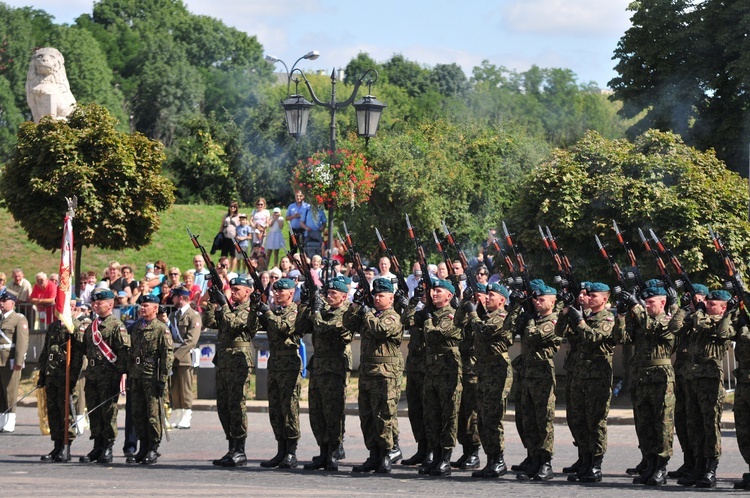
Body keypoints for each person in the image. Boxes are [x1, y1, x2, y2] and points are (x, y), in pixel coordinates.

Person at [558, 282, 620, 483]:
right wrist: (567, 311)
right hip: (580, 374)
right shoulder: (586, 316)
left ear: (605, 299)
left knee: (595, 421)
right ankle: (584, 460)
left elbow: (593, 338)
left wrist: (580, 322)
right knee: (580, 420)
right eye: (587, 295)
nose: (589, 298)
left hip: (597, 376)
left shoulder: (608, 318)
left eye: (593, 295)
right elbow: (559, 332)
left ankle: (595, 464)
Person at [614, 280, 675, 486]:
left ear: (663, 302)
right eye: (645, 302)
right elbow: (622, 337)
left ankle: (661, 467)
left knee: (662, 423)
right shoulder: (641, 319)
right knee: (644, 423)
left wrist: (635, 305)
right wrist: (622, 315)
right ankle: (649, 464)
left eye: (651, 302)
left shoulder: (668, 320)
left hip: (660, 377)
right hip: (641, 377)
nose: (647, 305)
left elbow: (651, 328)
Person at [675, 289, 734, 488]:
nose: (707, 306)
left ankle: (710, 468)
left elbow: (711, 327)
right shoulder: (698, 319)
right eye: (706, 303)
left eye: (712, 304)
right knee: (694, 425)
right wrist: (688, 309)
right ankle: (697, 466)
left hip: (709, 380)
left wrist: (699, 309)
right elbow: (677, 327)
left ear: (723, 307)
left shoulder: (723, 321)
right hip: (692, 378)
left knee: (710, 426)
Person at [344, 277, 403, 474]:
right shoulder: (371, 314)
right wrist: (356, 304)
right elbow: (348, 324)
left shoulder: (392, 317)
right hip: (368, 373)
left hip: (385, 375)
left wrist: (366, 312)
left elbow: (380, 330)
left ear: (391, 298)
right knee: (367, 415)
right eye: (375, 295)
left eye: (381, 295)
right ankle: (373, 454)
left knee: (384, 415)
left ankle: (386, 453)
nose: (377, 298)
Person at [299, 277, 354, 471]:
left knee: (333, 411)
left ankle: (333, 451)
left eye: (333, 293)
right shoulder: (322, 312)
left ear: (343, 296)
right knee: (317, 411)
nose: (329, 296)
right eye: (328, 293)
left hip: (334, 366)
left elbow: (329, 330)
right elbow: (301, 327)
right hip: (319, 365)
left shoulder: (345, 314)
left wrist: (315, 314)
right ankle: (322, 451)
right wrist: (307, 305)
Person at [508, 282, 561, 481]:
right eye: (535, 300)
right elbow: (510, 330)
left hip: (542, 376)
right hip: (527, 375)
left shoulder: (554, 321)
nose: (537, 303)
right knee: (527, 419)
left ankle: (546, 462)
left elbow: (532, 337)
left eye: (541, 299)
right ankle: (533, 457)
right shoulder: (534, 318)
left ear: (552, 301)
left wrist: (528, 320)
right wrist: (518, 310)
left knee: (543, 421)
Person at [251, 278, 304, 469]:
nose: (277, 294)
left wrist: (267, 313)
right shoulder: (275, 312)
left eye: (281, 291)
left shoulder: (294, 312)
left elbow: (284, 328)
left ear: (291, 293)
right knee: (275, 408)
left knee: (289, 408)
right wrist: (256, 308)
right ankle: (280, 449)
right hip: (274, 363)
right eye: (275, 291)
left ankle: (291, 451)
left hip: (289, 364)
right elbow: (257, 326)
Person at [203, 276, 255, 468]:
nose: (232, 293)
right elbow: (209, 321)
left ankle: (240, 450)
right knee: (224, 406)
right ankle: (232, 447)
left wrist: (224, 304)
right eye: (231, 289)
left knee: (237, 405)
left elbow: (234, 324)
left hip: (239, 361)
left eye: (237, 290)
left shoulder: (249, 310)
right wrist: (212, 302)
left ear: (248, 291)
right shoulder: (229, 309)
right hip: (224, 360)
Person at [466, 283, 513, 478]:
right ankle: (491, 460)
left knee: (493, 418)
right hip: (484, 371)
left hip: (498, 372)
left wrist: (473, 313)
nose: (487, 298)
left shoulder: (502, 317)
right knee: (483, 419)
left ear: (502, 300)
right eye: (487, 295)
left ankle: (499, 460)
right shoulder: (486, 315)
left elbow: (483, 331)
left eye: (491, 295)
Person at [80, 289, 130, 463]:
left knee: (108, 412)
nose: (95, 305)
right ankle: (97, 446)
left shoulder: (117, 326)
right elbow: (85, 349)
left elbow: (124, 352)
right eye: (94, 302)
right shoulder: (91, 326)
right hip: (92, 375)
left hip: (109, 375)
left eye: (99, 302)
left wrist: (121, 374)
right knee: (94, 411)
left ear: (110, 304)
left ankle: (108, 446)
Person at [420, 279, 462, 477]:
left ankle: (445, 458)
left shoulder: (453, 315)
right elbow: (407, 320)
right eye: (432, 291)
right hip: (431, 371)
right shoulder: (430, 312)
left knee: (448, 416)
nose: (434, 294)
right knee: (431, 415)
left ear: (449, 296)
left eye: (438, 291)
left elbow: (434, 334)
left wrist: (427, 319)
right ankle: (435, 455)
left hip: (448, 372)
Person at [667, 284, 708, 479]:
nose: (694, 301)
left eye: (697, 298)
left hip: (698, 374)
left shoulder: (706, 318)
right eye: (692, 298)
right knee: (682, 420)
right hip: (682, 372)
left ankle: (702, 464)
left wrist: (699, 310)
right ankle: (688, 461)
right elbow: (674, 327)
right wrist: (681, 308)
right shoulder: (686, 316)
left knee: (698, 422)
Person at [127, 295, 173, 465]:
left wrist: (163, 378)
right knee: (138, 413)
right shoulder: (136, 327)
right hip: (137, 375)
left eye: (146, 305)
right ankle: (143, 446)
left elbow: (167, 355)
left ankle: (153, 447)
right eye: (141, 305)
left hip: (152, 376)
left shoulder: (161, 329)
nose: (142, 308)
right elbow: (130, 353)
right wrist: (128, 374)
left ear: (155, 308)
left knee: (153, 414)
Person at [37, 307, 85, 462]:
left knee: (66, 412)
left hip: (66, 376)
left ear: (74, 308)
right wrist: (42, 373)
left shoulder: (75, 327)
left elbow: (78, 355)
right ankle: (57, 445)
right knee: (54, 411)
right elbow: (46, 350)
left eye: (67, 306)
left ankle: (66, 447)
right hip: (52, 375)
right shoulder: (53, 326)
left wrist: (73, 377)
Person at [401, 282, 431, 467]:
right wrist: (413, 300)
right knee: (415, 411)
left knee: (430, 412)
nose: (429, 296)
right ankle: (421, 448)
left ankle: (431, 451)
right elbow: (405, 320)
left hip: (430, 369)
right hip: (414, 368)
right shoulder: (419, 313)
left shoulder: (439, 315)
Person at [451, 287, 481, 471]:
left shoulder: (485, 313)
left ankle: (474, 452)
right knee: (461, 411)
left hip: (474, 368)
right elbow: (456, 324)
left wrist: (473, 310)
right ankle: (465, 449)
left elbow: (480, 330)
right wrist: (463, 304)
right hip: (461, 367)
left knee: (472, 413)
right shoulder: (468, 309)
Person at [164, 286, 202, 430]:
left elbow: (191, 340)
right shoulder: (173, 316)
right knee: (174, 388)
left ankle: (186, 415)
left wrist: (175, 356)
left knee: (185, 388)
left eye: (174, 297)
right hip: (173, 355)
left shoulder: (193, 316)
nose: (171, 299)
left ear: (180, 297)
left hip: (184, 357)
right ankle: (177, 414)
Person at [0, 291, 29, 433]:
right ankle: (2, 419)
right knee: (0, 391)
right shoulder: (0, 318)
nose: (1, 303)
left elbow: (22, 341)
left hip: (9, 359)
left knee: (10, 391)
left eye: (5, 300)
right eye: (1, 300)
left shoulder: (18, 318)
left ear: (12, 303)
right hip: (0, 359)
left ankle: (10, 420)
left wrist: (19, 360)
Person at [220, 201, 241, 272]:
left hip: (234, 237)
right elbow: (222, 225)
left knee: (233, 255)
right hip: (225, 237)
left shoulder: (239, 216)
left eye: (234, 207)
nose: (232, 208)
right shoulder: (226, 216)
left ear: (236, 208)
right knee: (224, 255)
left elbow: (242, 225)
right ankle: (223, 269)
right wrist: (219, 234)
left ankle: (232, 271)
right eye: (231, 206)